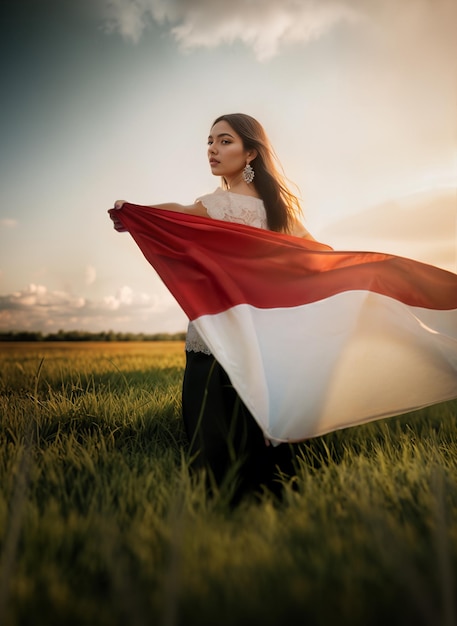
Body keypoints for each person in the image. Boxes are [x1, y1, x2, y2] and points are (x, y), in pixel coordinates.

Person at [110, 113, 317, 500]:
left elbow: (176, 212)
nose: (212, 149)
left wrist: (135, 210)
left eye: (225, 141)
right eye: (209, 141)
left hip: (219, 333)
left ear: (251, 152)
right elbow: (317, 255)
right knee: (265, 436)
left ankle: (221, 506)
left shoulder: (219, 205)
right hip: (264, 339)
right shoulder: (280, 213)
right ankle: (275, 501)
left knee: (214, 438)